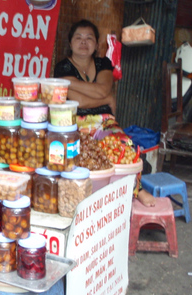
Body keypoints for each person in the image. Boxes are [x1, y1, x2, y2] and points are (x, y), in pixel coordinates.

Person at [55, 19, 155, 207]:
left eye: (89, 38)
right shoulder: (62, 67)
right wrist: (106, 99)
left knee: (124, 145)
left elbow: (102, 90)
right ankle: (90, 194)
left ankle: (137, 190)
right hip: (77, 120)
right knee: (85, 152)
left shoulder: (104, 63)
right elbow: (81, 102)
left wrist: (74, 85)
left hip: (105, 120)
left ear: (96, 44)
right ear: (70, 43)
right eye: (78, 38)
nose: (83, 42)